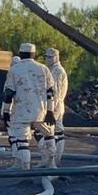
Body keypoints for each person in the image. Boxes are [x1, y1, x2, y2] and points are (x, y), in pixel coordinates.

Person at [3, 42, 57, 170]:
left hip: (21, 111)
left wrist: (6, 111)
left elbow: (9, 93)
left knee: (22, 142)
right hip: (41, 110)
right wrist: (50, 111)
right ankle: (52, 164)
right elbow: (50, 92)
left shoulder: (14, 70)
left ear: (21, 54)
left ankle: (25, 170)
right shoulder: (44, 69)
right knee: (49, 135)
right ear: (34, 54)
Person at [45, 47, 69, 167]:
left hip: (55, 104)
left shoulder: (57, 71)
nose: (47, 59)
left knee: (54, 132)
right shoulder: (54, 70)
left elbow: (55, 91)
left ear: (55, 57)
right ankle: (53, 160)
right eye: (46, 57)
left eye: (49, 57)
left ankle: (54, 160)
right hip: (57, 104)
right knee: (56, 131)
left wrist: (50, 108)